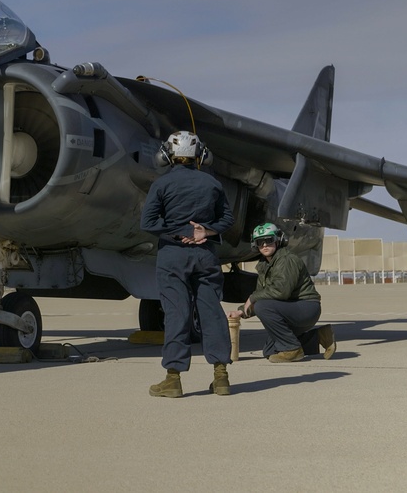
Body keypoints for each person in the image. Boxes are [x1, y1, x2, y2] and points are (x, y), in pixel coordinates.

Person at [140, 131, 235, 397]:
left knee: (177, 313)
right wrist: (205, 232)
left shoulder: (161, 184)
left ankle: (173, 380)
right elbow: (227, 219)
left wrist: (180, 230)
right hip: (206, 254)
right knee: (212, 313)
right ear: (200, 155)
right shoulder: (212, 184)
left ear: (168, 155)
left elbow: (148, 223)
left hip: (173, 254)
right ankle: (221, 377)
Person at [228, 223, 336, 362]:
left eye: (269, 240)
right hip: (290, 309)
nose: (265, 245)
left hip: (306, 308)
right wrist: (241, 311)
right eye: (260, 242)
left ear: (278, 240)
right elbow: (262, 293)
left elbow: (281, 292)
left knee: (262, 306)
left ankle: (292, 349)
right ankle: (320, 336)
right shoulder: (265, 264)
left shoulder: (286, 260)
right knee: (270, 351)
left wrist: (253, 298)